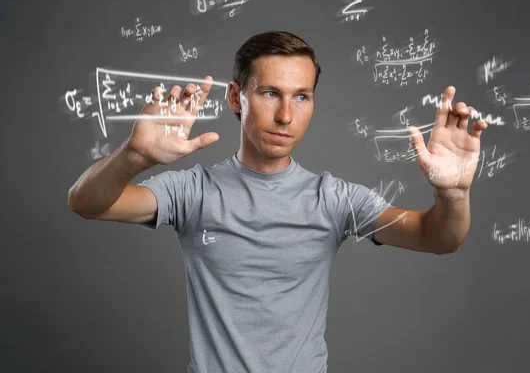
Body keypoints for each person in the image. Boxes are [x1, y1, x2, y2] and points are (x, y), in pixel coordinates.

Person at [68, 30, 488, 373]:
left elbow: (438, 237)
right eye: (270, 93)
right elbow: (87, 203)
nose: (286, 115)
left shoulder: (334, 199)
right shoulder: (193, 192)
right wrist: (133, 157)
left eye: (301, 96)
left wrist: (453, 193)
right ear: (237, 97)